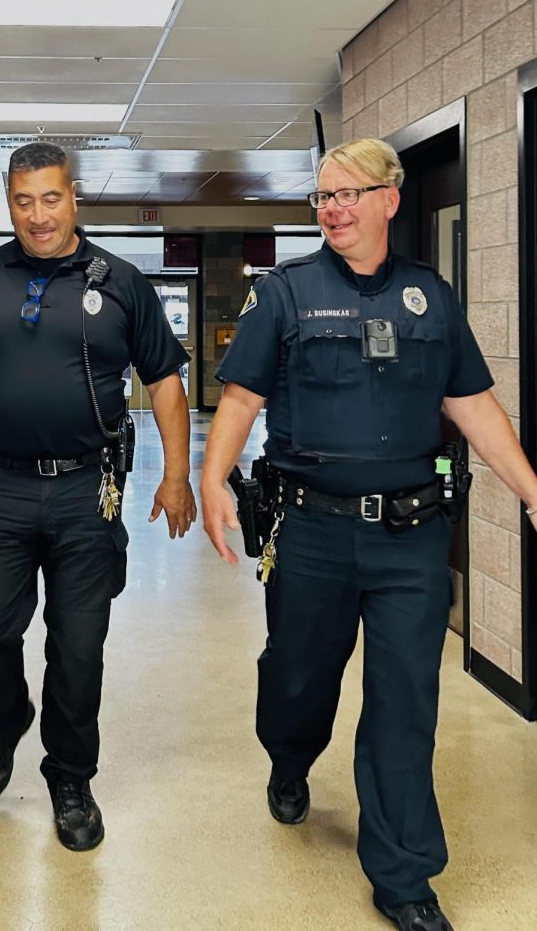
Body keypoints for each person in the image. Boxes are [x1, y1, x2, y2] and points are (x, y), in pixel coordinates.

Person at [200, 138, 537, 931]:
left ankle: (404, 875)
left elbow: (473, 405)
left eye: (349, 193)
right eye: (323, 197)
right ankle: (289, 757)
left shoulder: (430, 297)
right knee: (298, 679)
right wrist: (212, 479)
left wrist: (530, 486)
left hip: (410, 541)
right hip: (310, 534)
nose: (334, 209)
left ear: (390, 199)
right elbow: (243, 398)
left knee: (405, 703)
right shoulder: (284, 293)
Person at [0, 142, 196, 852]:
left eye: (50, 198)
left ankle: (70, 776)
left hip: (87, 491)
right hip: (3, 487)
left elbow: (165, 380)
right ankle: (2, 722)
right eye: (23, 201)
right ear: (6, 202)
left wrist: (176, 476)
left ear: (74, 197)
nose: (38, 215)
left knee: (80, 648)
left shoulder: (122, 283)